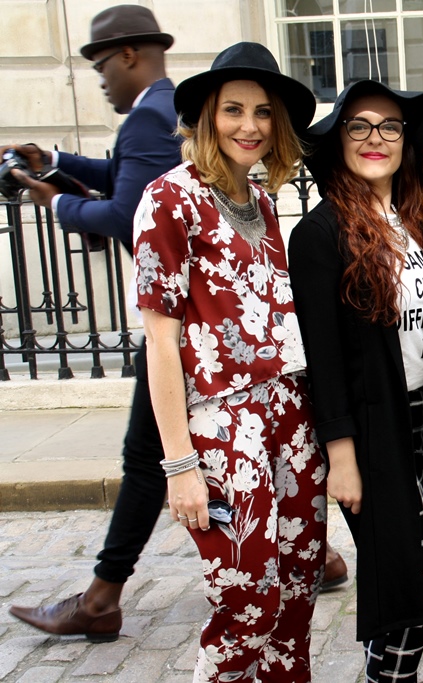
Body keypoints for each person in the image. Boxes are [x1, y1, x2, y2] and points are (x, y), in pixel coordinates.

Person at [133, 42, 326, 681]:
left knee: (297, 587)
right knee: (247, 598)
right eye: (234, 110)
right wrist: (180, 465)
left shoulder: (263, 201)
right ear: (207, 116)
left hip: (290, 419)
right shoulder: (170, 199)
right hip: (222, 428)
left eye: (265, 113)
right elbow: (160, 343)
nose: (250, 125)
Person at [5, 5, 180, 643]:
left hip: (178, 326)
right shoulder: (162, 114)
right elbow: (126, 179)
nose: (99, 79)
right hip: (195, 320)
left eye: (101, 64)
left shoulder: (148, 120)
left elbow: (129, 215)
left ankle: (101, 600)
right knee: (205, 455)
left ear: (130, 54)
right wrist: (56, 159)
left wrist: (59, 204)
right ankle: (319, 559)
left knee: (145, 460)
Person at [288, 80, 423, 682]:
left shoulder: (419, 221)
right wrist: (341, 453)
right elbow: (321, 356)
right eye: (359, 126)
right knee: (414, 585)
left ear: (407, 142)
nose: (375, 138)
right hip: (375, 428)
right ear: (338, 141)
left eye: (390, 127)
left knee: (408, 591)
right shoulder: (319, 234)